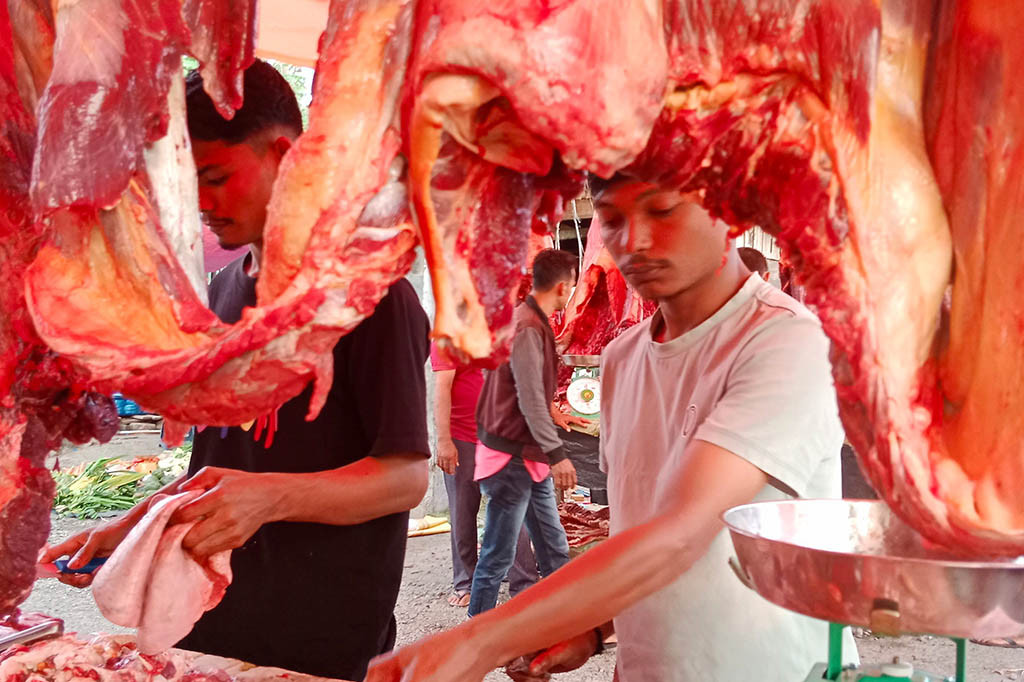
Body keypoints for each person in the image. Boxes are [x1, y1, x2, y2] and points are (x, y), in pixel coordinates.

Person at [366, 176, 853, 682]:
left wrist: (482, 638)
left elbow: (677, 535)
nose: (633, 242)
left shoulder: (786, 342)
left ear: (727, 208)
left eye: (662, 209)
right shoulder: (624, 357)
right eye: (614, 219)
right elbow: (640, 524)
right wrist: (598, 628)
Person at [41, 61, 430, 681]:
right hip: (207, 621)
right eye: (183, 184)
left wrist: (272, 498)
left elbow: (405, 478)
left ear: (286, 155)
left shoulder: (370, 298)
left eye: (215, 177)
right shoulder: (220, 294)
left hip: (319, 639)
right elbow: (218, 467)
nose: (200, 205)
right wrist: (135, 525)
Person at [468, 248, 588, 617]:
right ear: (563, 286)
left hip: (526, 456)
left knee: (554, 547)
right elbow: (529, 399)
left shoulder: (531, 321)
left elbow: (522, 387)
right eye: (572, 286)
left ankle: (563, 622)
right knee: (497, 557)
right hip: (511, 459)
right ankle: (475, 631)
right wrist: (558, 454)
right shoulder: (526, 326)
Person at [431, 343, 539, 608]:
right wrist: (444, 441)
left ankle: (524, 584)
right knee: (462, 511)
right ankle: (465, 582)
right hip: (463, 438)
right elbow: (442, 389)